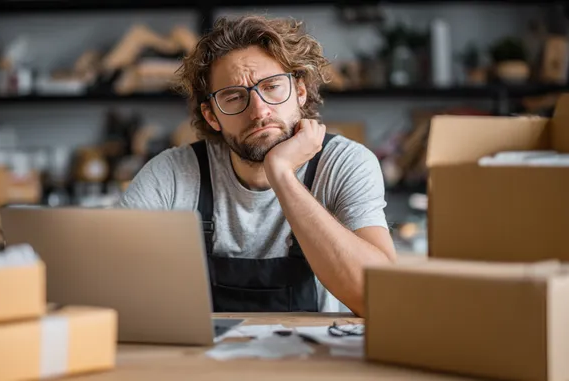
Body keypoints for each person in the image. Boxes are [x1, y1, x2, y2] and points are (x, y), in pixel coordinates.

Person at [117, 15, 396, 316]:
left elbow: (380, 298)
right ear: (212, 116)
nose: (259, 111)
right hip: (204, 360)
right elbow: (106, 274)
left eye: (273, 87)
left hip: (311, 358)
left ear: (299, 92)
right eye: (234, 97)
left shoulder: (344, 164)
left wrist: (282, 176)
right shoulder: (173, 173)